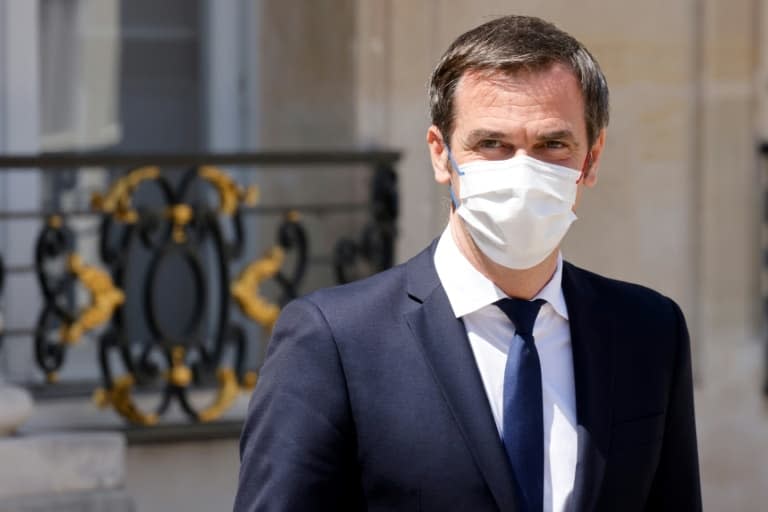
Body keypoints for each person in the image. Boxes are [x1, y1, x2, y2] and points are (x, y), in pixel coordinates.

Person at [234, 15, 701, 512]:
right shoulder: (335, 340)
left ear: (592, 157)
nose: (523, 170)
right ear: (440, 154)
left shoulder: (649, 332)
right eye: (491, 144)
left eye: (552, 145)